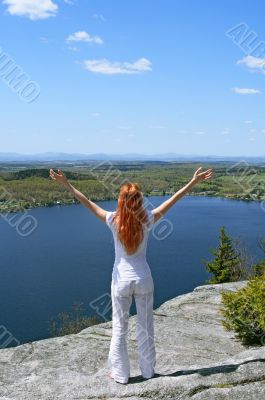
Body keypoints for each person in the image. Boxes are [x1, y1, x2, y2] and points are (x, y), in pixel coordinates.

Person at [49, 166, 213, 384]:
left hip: (121, 282)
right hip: (144, 280)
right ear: (140, 201)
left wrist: (67, 184)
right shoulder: (148, 219)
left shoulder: (113, 220)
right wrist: (193, 182)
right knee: (146, 326)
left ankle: (121, 374)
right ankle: (147, 372)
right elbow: (174, 199)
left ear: (121, 201)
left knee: (120, 327)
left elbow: (87, 202)